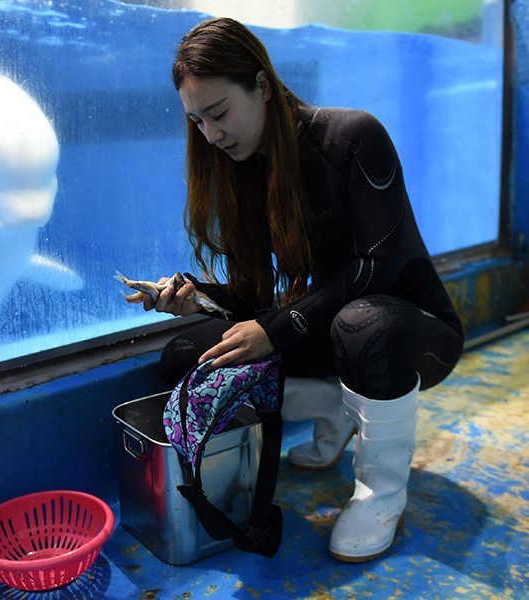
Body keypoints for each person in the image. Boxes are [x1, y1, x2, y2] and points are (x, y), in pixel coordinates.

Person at [143, 17, 464, 563]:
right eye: (197, 122)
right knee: (187, 356)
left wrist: (275, 329)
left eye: (219, 113)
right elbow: (254, 294)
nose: (212, 135)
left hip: (412, 331)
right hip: (335, 327)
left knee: (360, 324)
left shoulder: (355, 136)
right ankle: (339, 409)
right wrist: (195, 296)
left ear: (262, 85)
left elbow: (376, 268)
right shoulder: (245, 168)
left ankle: (380, 491)